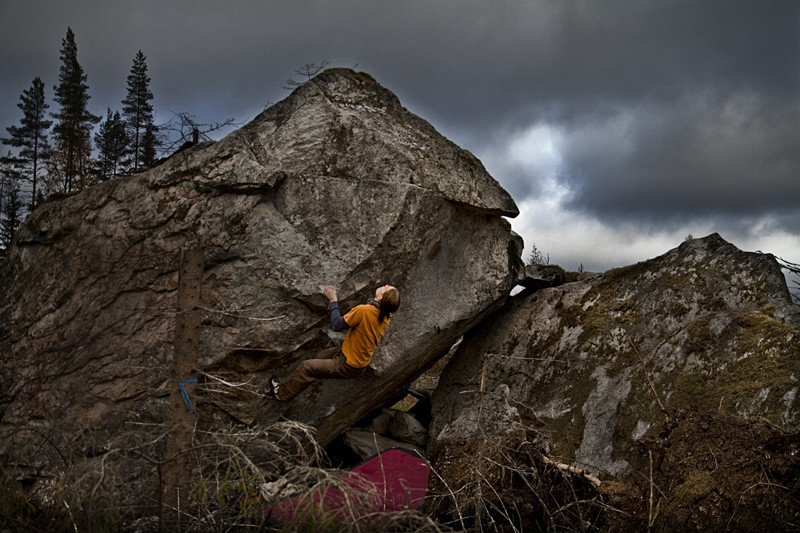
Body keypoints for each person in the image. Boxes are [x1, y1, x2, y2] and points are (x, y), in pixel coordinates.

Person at [270, 284, 400, 401]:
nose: (386, 285)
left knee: (306, 367)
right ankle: (311, 376)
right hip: (350, 355)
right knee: (319, 356)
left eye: (386, 288)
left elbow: (337, 325)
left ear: (380, 298)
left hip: (348, 365)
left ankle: (281, 394)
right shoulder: (386, 315)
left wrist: (333, 300)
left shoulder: (364, 311)